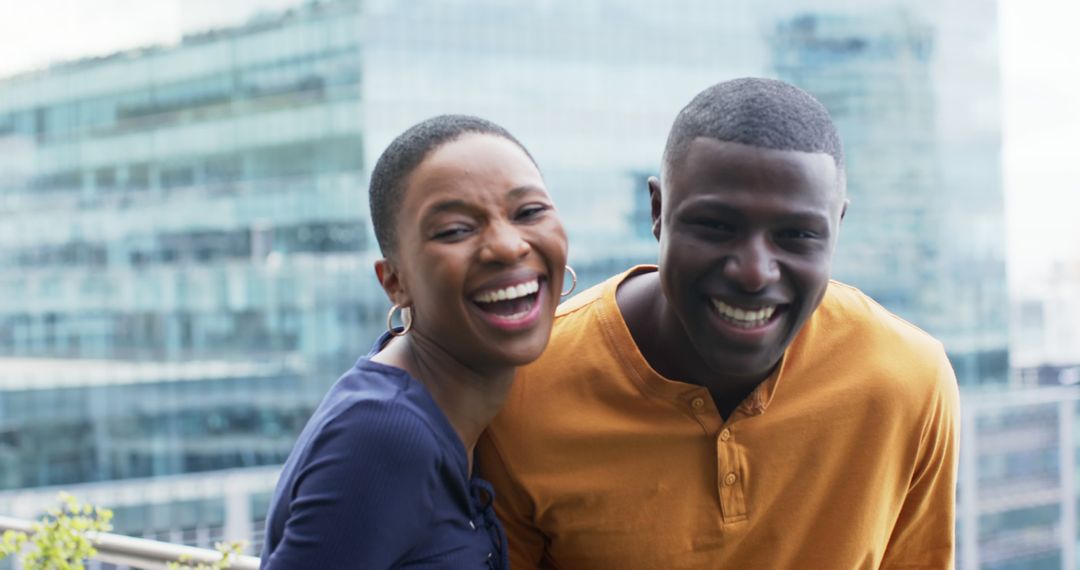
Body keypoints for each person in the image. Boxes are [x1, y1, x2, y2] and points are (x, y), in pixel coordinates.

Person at [476, 78, 960, 568]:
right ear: (658, 211)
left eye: (796, 235)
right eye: (716, 226)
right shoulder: (522, 389)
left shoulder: (907, 379)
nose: (753, 272)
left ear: (838, 225)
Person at [260, 114, 569, 569]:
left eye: (529, 212)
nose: (507, 246)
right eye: (455, 230)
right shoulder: (383, 435)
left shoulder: (448, 411)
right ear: (395, 282)